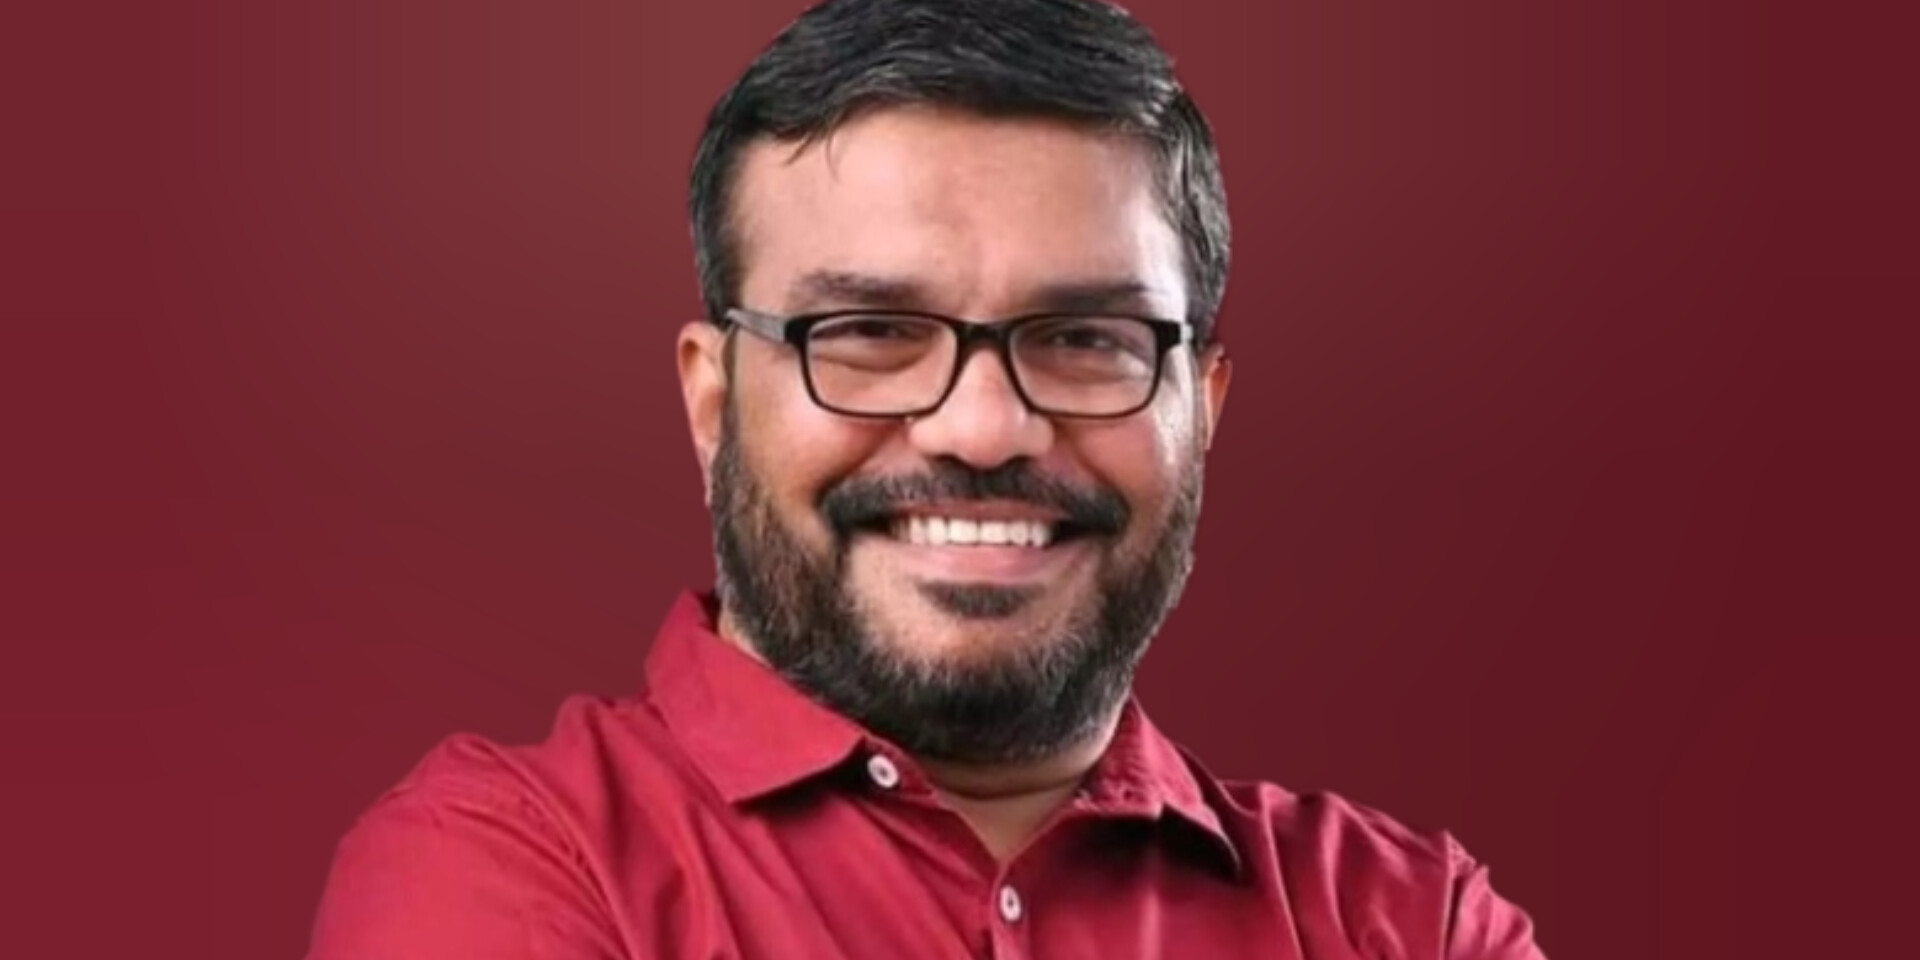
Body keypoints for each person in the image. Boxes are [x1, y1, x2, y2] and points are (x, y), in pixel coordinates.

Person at [305, 0, 1547, 956]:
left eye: (1086, 340)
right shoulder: (502, 867)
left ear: (1202, 410)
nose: (985, 428)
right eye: (871, 334)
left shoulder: (1413, 922)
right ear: (712, 401)